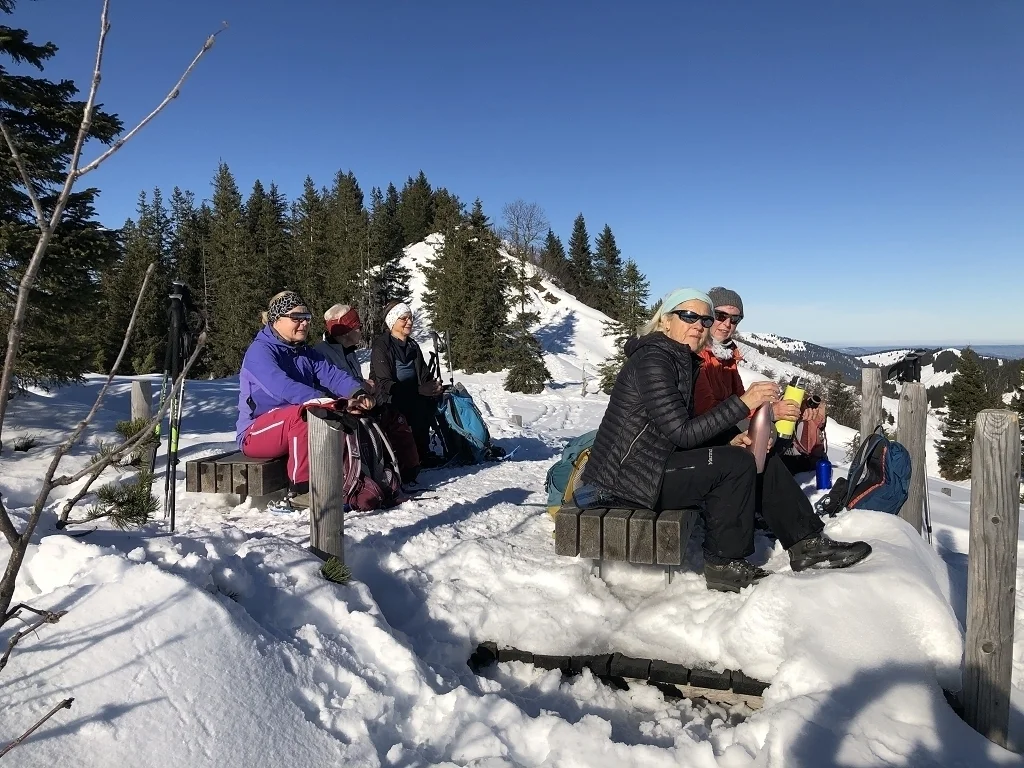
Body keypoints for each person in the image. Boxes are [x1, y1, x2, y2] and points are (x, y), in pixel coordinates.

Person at [579, 287, 871, 593]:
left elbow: (677, 429)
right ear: (666, 320)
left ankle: (807, 544)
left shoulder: (677, 359)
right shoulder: (654, 360)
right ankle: (724, 565)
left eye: (704, 320)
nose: (699, 325)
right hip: (623, 482)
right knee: (736, 464)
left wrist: (733, 439)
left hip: (649, 467)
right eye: (689, 315)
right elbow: (682, 432)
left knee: (754, 455)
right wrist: (746, 403)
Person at [236, 291, 374, 496]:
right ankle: (302, 490)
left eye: (307, 318)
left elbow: (333, 375)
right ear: (276, 320)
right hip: (254, 433)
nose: (304, 323)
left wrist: (358, 392)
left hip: (291, 428)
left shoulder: (304, 351)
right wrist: (329, 402)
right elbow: (284, 388)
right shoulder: (260, 352)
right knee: (303, 415)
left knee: (337, 415)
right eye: (296, 318)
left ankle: (353, 478)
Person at [694, 286, 828, 472]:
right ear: (708, 316)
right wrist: (770, 412)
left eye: (735, 319)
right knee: (767, 432)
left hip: (724, 426)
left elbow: (741, 403)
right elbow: (707, 412)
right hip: (706, 437)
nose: (727, 324)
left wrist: (783, 409)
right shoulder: (698, 354)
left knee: (776, 429)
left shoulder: (726, 355)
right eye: (720, 315)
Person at [315, 303, 422, 483]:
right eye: (358, 327)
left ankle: (408, 468)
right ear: (347, 330)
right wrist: (362, 388)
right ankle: (387, 470)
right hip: (341, 408)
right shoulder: (323, 353)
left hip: (360, 401)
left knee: (393, 415)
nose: (361, 330)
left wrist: (366, 386)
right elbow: (332, 384)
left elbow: (353, 379)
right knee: (385, 417)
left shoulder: (349, 352)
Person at [370, 300, 445, 468]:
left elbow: (424, 374)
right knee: (416, 404)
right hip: (389, 399)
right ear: (392, 321)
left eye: (410, 317)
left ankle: (422, 453)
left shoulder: (412, 345)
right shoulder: (382, 346)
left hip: (413, 395)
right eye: (403, 318)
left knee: (427, 403)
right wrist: (418, 390)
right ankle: (410, 457)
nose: (409, 322)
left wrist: (433, 386)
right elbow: (384, 384)